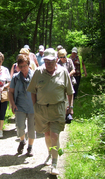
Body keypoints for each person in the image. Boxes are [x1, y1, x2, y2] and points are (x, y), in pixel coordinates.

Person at [27, 48, 74, 176]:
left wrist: (71, 107)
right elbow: (32, 91)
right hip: (42, 109)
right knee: (47, 135)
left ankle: (54, 164)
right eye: (46, 61)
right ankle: (50, 153)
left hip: (58, 108)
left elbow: (70, 92)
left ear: (57, 60)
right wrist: (35, 106)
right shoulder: (38, 72)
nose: (48, 64)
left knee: (54, 135)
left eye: (51, 61)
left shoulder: (63, 72)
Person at [8, 54, 35, 157]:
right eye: (21, 66)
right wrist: (13, 104)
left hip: (32, 107)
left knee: (32, 129)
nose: (23, 68)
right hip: (19, 106)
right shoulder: (15, 78)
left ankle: (30, 147)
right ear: (18, 66)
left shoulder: (34, 76)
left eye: (25, 66)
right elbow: (10, 92)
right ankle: (22, 141)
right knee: (20, 127)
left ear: (29, 65)